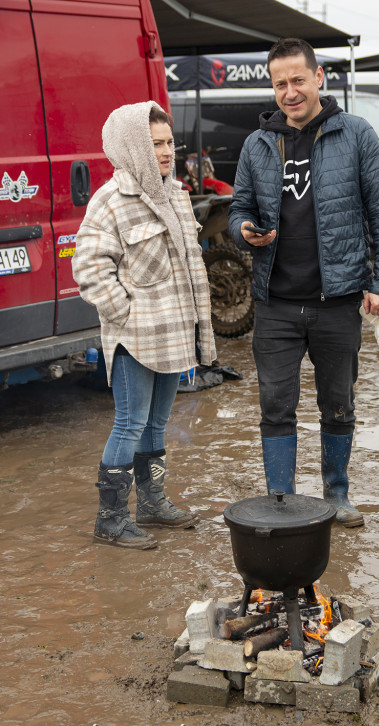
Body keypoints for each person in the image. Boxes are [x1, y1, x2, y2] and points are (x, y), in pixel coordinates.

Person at [228, 38, 379, 528]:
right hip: (275, 303)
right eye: (279, 83)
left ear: (319, 77)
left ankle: (338, 495)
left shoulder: (356, 134)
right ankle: (280, 503)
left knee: (338, 404)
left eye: (297, 80)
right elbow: (238, 208)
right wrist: (242, 231)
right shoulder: (258, 143)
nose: (289, 92)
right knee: (275, 406)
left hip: (337, 301)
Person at [73, 101, 216, 549]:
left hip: (174, 333)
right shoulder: (109, 201)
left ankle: (151, 504)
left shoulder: (175, 194)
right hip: (136, 337)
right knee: (129, 424)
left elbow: (192, 266)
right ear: (132, 146)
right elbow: (90, 269)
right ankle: (110, 520)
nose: (166, 151)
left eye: (169, 142)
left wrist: (197, 325)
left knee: (157, 424)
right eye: (154, 144)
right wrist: (126, 315)